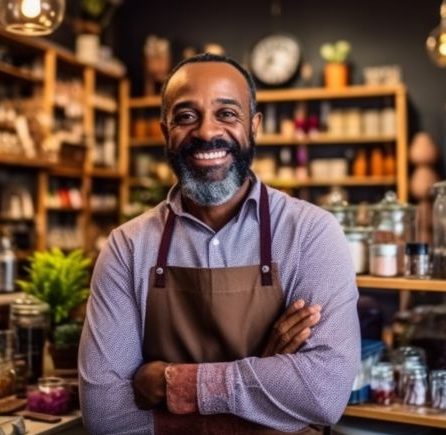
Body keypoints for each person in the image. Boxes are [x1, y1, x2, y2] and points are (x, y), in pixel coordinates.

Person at [78, 53, 361, 434]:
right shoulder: (126, 248)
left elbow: (323, 393)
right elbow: (106, 416)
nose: (206, 132)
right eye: (185, 116)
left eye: (227, 114)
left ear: (254, 126)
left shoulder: (311, 234)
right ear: (165, 132)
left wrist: (172, 383)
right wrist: (265, 375)